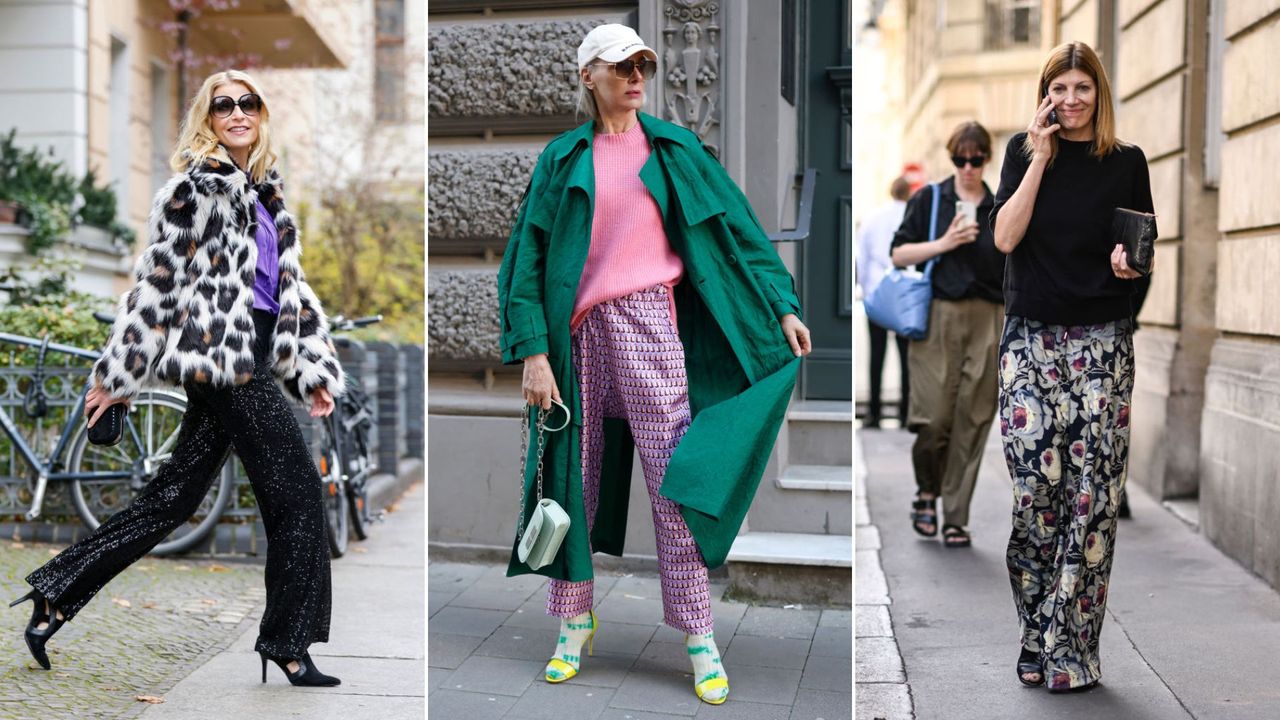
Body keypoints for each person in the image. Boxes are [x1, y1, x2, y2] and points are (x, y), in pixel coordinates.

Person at [497, 23, 811, 706]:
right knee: (570, 480)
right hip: (577, 334)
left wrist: (781, 305)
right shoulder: (562, 157)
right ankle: (573, 621)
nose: (637, 76)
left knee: (674, 483)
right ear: (589, 75)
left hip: (650, 323)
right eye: (621, 65)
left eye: (644, 63)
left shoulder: (673, 149)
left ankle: (698, 634)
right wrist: (532, 351)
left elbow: (738, 231)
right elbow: (527, 257)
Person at [10, 70, 346, 687]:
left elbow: (287, 291)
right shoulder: (195, 191)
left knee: (172, 500)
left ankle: (56, 594)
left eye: (249, 103)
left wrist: (310, 369)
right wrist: (117, 375)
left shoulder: (267, 194)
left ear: (261, 114)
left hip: (251, 356)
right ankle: (289, 645)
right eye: (225, 105)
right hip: (224, 366)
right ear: (208, 118)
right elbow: (155, 287)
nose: (238, 113)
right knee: (298, 496)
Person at [991, 41, 1153, 692]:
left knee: (1092, 506)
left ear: (1100, 92)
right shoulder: (1021, 152)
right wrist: (1039, 160)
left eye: (1083, 87)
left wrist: (1129, 265)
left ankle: (1072, 650)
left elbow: (1141, 248)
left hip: (1103, 342)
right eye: (1060, 88)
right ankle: (1035, 634)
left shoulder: (1128, 162)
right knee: (1036, 497)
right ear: (1045, 94)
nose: (1072, 100)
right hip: (1030, 340)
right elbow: (1004, 239)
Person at [890, 122, 1005, 548]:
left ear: (986, 159)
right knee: (934, 416)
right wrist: (945, 242)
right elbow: (899, 253)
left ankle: (956, 516)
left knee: (973, 420)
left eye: (976, 160)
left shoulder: (1002, 204)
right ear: (952, 156)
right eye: (961, 159)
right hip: (938, 315)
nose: (969, 167)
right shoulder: (931, 199)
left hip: (991, 318)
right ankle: (926, 491)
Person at [856, 176, 912, 429]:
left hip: (877, 292)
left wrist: (865, 291)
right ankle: (905, 411)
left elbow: (862, 257)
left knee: (876, 356)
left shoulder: (873, 218)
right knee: (906, 356)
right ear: (908, 193)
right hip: (903, 293)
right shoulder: (912, 215)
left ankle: (874, 413)